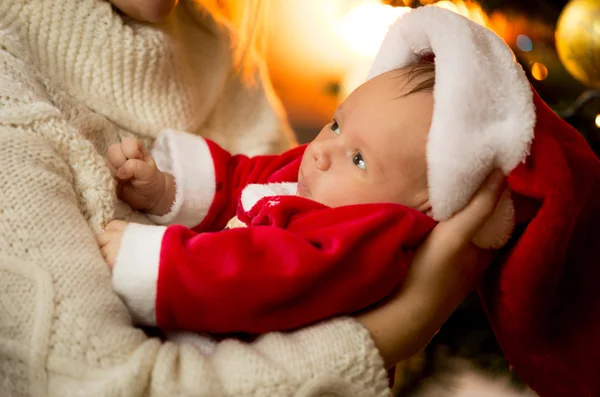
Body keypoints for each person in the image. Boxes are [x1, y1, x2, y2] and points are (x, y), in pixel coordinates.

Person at [0, 1, 501, 395]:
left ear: (425, 205)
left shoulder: (363, 233)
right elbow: (248, 177)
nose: (321, 152)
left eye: (360, 159)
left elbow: (260, 268)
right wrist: (169, 189)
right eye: (334, 121)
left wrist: (153, 261)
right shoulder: (14, 90)